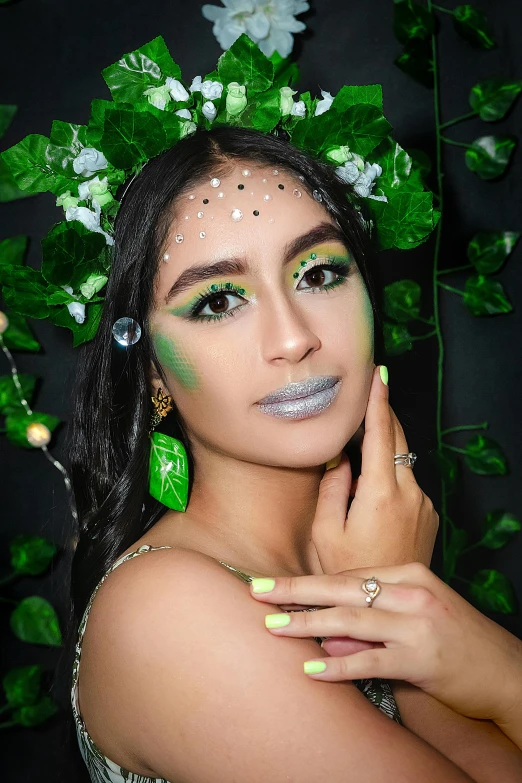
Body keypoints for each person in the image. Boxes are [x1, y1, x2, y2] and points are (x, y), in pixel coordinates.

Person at [64, 126, 522, 782]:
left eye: (319, 272)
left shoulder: (362, 552)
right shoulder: (167, 612)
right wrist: (403, 623)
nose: (294, 338)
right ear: (152, 376)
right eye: (219, 300)